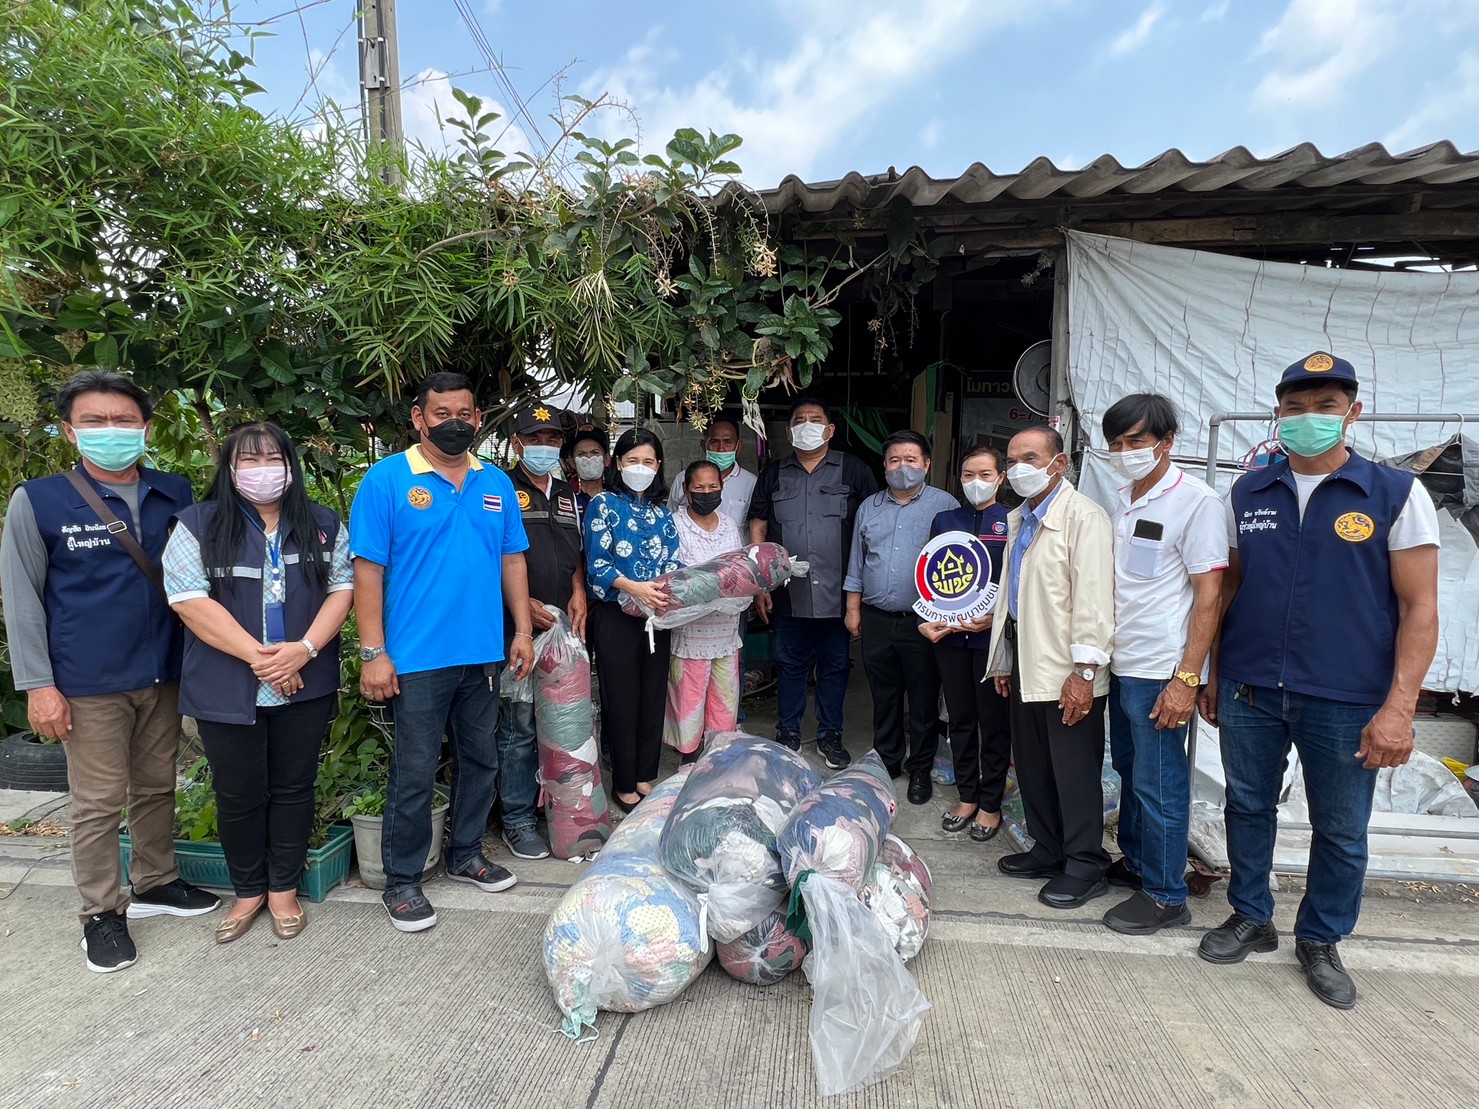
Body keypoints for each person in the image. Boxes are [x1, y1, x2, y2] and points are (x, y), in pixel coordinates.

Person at [1198, 352, 1439, 1009]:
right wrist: (1215, 671)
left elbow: (1420, 607)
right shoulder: (1248, 491)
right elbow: (1228, 587)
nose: (1309, 418)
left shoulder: (1392, 493)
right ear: (1278, 414)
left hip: (1346, 694)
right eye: (1296, 407)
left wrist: (1399, 706)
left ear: (1351, 412)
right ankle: (1250, 914)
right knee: (1246, 806)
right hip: (1250, 685)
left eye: (1325, 406)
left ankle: (1320, 938)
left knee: (1339, 826)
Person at [0, 370, 219, 973]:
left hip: (166, 670)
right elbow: (21, 598)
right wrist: (39, 685)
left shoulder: (174, 491)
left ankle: (156, 882)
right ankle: (100, 914)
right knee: (96, 802)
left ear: (146, 428)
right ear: (70, 432)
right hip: (88, 680)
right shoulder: (40, 500)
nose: (111, 431)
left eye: (123, 420)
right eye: (94, 421)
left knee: (156, 786)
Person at [350, 371, 535, 934]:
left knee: (481, 759)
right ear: (418, 417)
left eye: (464, 413)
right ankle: (402, 880)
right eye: (441, 413)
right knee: (414, 768)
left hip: (481, 653)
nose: (454, 423)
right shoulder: (386, 481)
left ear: (478, 418)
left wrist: (522, 631)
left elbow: (513, 562)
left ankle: (464, 853)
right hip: (415, 657)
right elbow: (367, 573)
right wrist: (372, 652)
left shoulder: (496, 484)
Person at [164, 422, 354, 943]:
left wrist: (304, 651)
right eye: (249, 460)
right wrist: (263, 659)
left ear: (291, 466)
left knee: (294, 789)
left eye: (273, 457)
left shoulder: (322, 524)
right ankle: (247, 891)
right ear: (229, 469)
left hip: (303, 682)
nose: (262, 469)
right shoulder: (198, 525)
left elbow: (342, 590)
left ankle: (283, 891)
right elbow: (187, 600)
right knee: (237, 792)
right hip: (228, 685)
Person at [1099, 395, 1227, 936]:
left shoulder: (1195, 501)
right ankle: (1137, 862)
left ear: (1167, 442)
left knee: (1159, 782)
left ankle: (1167, 894)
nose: (1126, 452)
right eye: (1118, 443)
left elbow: (1210, 595)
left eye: (1137, 441)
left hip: (1160, 669)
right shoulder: (1125, 498)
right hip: (1123, 660)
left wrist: (1187, 678)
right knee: (1129, 772)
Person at [986, 426, 1115, 909]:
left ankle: (1085, 863)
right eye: (1012, 458)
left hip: (1068, 669)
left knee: (1073, 770)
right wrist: (1003, 658)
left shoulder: (1084, 518)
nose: (1018, 466)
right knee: (1035, 764)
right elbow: (1012, 597)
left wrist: (1083, 674)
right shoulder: (1022, 517)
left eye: (1030, 457)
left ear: (1058, 464)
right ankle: (1048, 848)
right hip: (1026, 659)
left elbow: (1094, 602)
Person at [750, 395, 878, 766]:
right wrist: (760, 582)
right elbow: (758, 524)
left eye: (816, 419)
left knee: (835, 667)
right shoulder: (773, 474)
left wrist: (863, 592)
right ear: (789, 432)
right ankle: (788, 731)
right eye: (800, 420)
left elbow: (872, 528)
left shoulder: (854, 471)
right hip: (788, 593)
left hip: (840, 594)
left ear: (830, 429)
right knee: (789, 665)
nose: (808, 425)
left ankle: (830, 735)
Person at [844, 430, 959, 798]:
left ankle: (920, 768)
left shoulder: (945, 506)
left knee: (924, 698)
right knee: (885, 695)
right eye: (895, 460)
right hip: (876, 616)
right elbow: (857, 563)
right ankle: (888, 760)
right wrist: (853, 608)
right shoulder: (869, 507)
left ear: (926, 464)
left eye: (911, 460)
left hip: (924, 621)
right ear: (884, 466)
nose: (903, 467)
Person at [495, 403, 586, 861]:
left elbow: (574, 552)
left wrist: (577, 589)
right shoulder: (500, 489)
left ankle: (561, 810)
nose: (546, 447)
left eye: (553, 440)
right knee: (519, 725)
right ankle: (516, 819)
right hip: (518, 628)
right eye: (535, 439)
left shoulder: (570, 495)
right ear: (517, 444)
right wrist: (520, 605)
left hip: (563, 629)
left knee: (563, 722)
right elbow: (488, 555)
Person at [584, 428, 682, 812]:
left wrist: (668, 592)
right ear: (617, 463)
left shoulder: (662, 513)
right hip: (617, 616)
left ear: (658, 467)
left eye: (647, 462)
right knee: (621, 700)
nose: (639, 468)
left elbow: (674, 561)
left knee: (652, 697)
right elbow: (598, 564)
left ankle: (645, 773)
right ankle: (623, 781)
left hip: (657, 618)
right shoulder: (604, 505)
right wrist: (636, 588)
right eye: (631, 461)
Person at [919, 443, 1012, 840]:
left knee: (993, 723)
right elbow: (930, 572)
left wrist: (996, 619)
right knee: (959, 720)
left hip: (992, 640)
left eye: (985, 475)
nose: (976, 483)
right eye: (969, 475)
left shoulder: (1013, 520)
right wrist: (926, 618)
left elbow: (1019, 583)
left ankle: (990, 804)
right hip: (950, 637)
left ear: (1001, 478)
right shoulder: (945, 520)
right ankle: (967, 796)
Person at [664, 460, 745, 761]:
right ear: (686, 490)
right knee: (689, 696)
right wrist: (711, 583)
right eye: (699, 487)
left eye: (713, 487)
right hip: (690, 631)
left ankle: (719, 755)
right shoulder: (674, 523)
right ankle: (689, 756)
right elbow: (675, 577)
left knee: (725, 695)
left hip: (725, 628)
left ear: (722, 488)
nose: (707, 493)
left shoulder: (728, 524)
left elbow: (738, 569)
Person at [670, 415, 757, 534]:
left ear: (739, 446)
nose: (721, 449)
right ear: (703, 445)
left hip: (734, 550)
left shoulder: (751, 483)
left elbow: (756, 527)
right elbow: (670, 521)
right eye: (714, 442)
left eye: (728, 442)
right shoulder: (683, 479)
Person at [570, 427, 610, 520]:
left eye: (595, 452)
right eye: (581, 454)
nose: (588, 458)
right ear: (572, 462)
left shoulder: (617, 495)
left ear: (607, 459)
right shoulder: (565, 495)